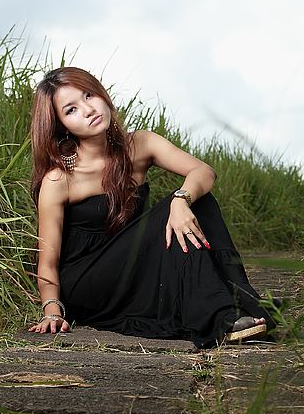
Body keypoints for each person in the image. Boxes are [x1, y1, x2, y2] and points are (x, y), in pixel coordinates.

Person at [26, 66, 275, 348]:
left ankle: (242, 300)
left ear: (102, 94)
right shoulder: (59, 179)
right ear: (62, 126)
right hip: (90, 282)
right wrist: (52, 310)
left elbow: (203, 171)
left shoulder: (141, 145)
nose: (87, 109)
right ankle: (222, 318)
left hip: (135, 267)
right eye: (71, 110)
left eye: (89, 95)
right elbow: (46, 261)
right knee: (172, 208)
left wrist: (182, 200)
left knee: (198, 200)